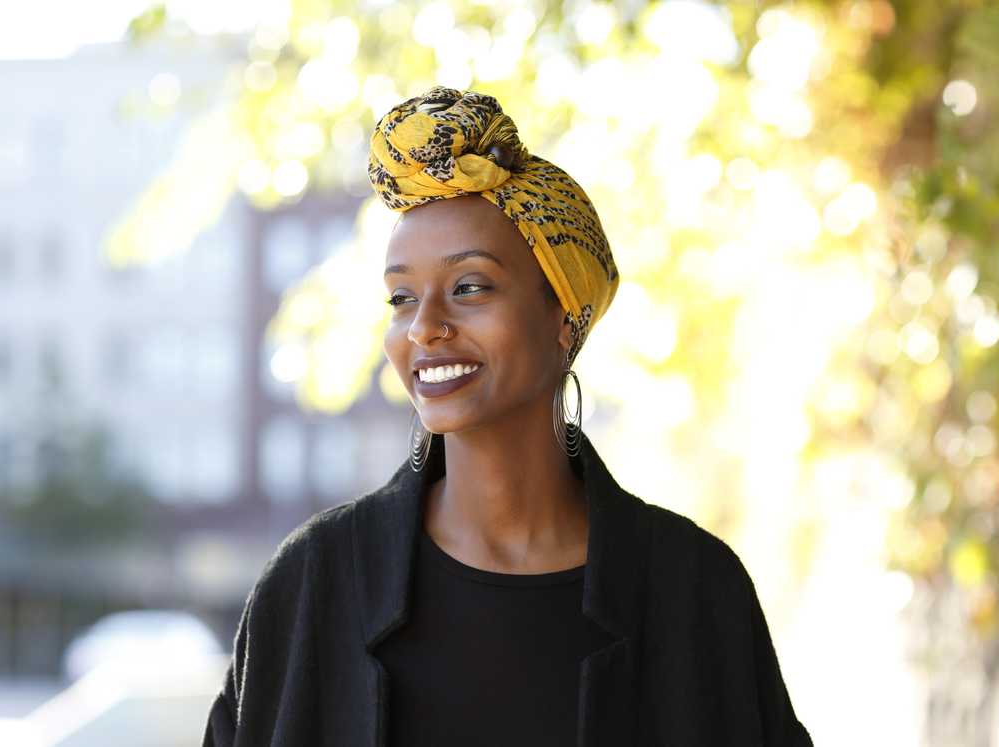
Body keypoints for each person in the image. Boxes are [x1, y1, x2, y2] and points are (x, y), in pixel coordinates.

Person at [203, 86, 812, 746]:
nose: (424, 327)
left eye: (469, 287)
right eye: (401, 298)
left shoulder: (694, 589)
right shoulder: (312, 583)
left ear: (563, 318)